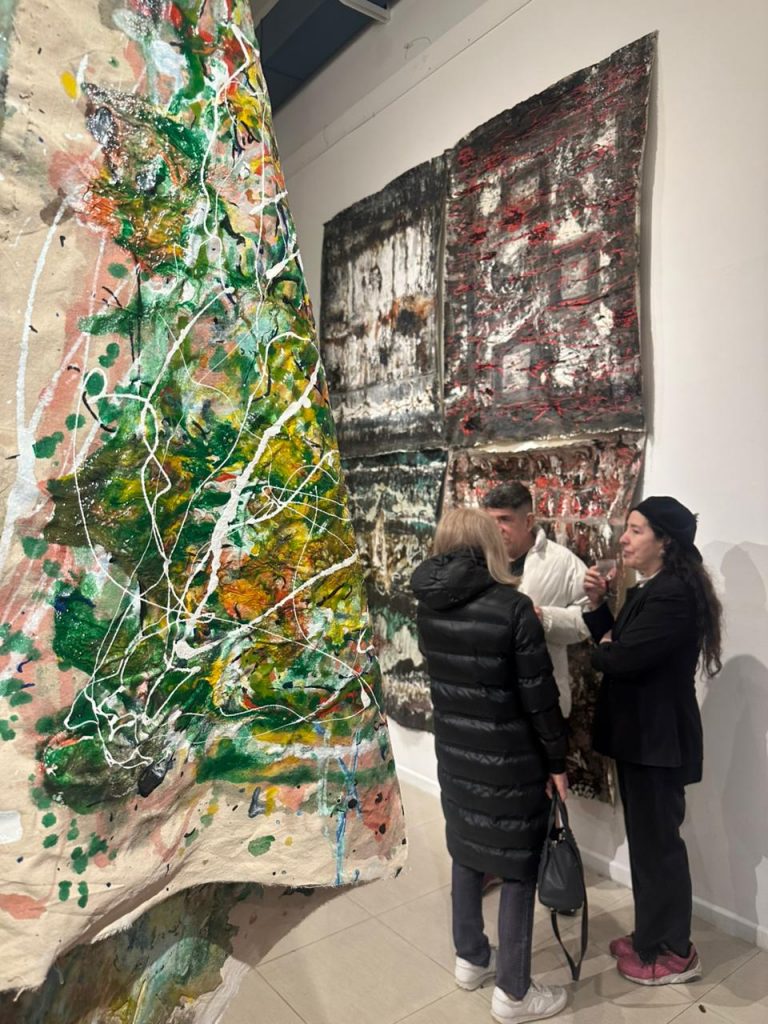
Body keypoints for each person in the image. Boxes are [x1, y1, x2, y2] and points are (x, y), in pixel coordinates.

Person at [411, 507, 569, 1023]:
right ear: (489, 547)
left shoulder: (428, 606)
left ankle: (471, 959)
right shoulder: (513, 608)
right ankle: (514, 994)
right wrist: (557, 761)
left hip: (456, 755)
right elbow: (539, 697)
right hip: (511, 760)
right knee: (519, 866)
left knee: (467, 850)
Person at [582, 496, 723, 986]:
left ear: (665, 541)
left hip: (657, 741)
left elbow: (620, 660)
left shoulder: (674, 594)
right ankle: (650, 938)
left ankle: (675, 953)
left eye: (636, 529)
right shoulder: (654, 588)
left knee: (659, 848)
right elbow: (620, 649)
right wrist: (599, 610)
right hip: (643, 737)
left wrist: (610, 649)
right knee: (647, 845)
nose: (623, 538)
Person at [482, 483, 590, 718]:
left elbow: (587, 622)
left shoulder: (562, 562)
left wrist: (544, 618)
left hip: (541, 702)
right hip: (489, 700)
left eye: (505, 519)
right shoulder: (478, 562)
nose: (497, 529)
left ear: (528, 521)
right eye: (490, 521)